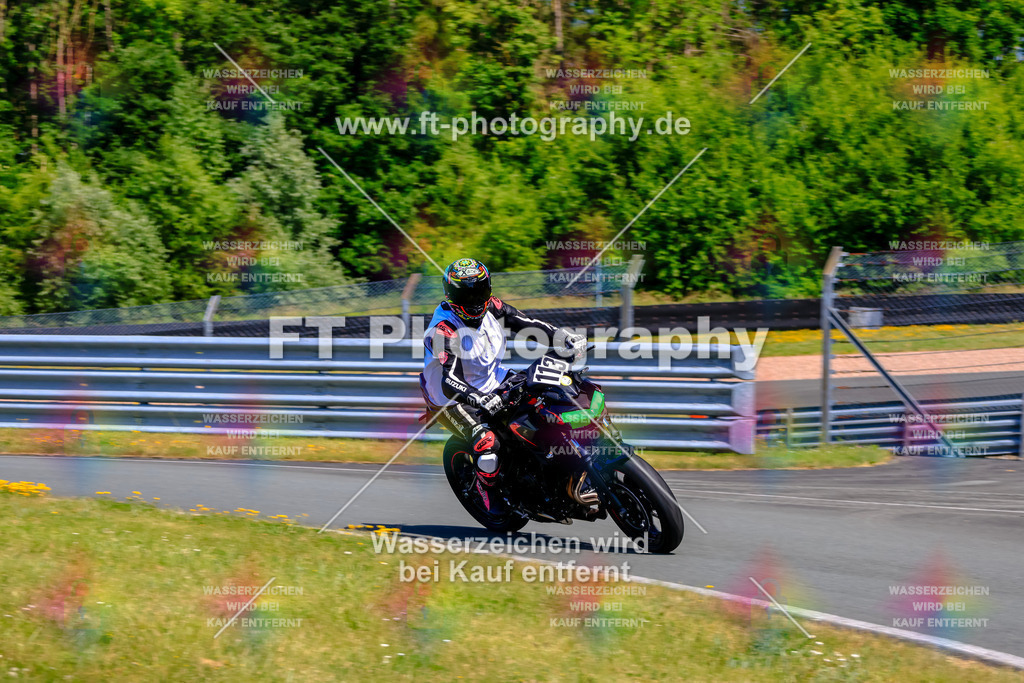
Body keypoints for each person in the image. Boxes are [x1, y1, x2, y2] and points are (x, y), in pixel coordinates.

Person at [420, 258, 586, 511]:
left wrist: (563, 338)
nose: (476, 300)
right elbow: (450, 381)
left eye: (481, 290)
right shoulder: (443, 330)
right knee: (487, 444)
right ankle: (486, 491)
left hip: (492, 377)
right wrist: (478, 398)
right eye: (467, 294)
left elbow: (526, 323)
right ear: (451, 295)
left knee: (550, 393)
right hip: (452, 400)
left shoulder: (492, 306)